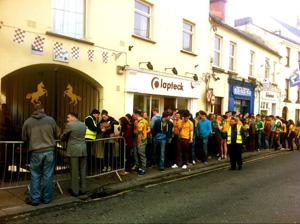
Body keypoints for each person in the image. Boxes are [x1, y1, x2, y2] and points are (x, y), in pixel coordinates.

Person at [22, 103, 58, 206]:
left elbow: (24, 137)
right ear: (43, 109)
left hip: (36, 151)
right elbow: (57, 133)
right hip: (49, 151)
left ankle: (35, 199)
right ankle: (47, 199)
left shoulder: (28, 122)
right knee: (48, 175)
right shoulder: (51, 120)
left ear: (34, 110)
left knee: (35, 175)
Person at [61, 112, 87, 197]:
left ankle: (75, 190)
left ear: (73, 117)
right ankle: (83, 189)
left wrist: (62, 137)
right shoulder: (83, 124)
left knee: (74, 171)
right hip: (83, 149)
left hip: (74, 150)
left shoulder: (70, 125)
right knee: (83, 170)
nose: (67, 119)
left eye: (68, 117)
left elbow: (63, 136)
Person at [85, 109, 100, 174]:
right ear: (94, 113)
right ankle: (87, 170)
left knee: (89, 154)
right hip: (87, 138)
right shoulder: (89, 118)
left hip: (90, 139)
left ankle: (88, 169)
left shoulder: (92, 119)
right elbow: (92, 128)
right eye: (97, 115)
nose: (98, 116)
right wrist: (100, 130)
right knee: (87, 154)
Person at [133, 110, 148, 176]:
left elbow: (140, 133)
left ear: (136, 115)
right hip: (137, 139)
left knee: (141, 154)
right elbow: (135, 131)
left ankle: (143, 169)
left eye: (134, 115)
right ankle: (139, 167)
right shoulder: (136, 121)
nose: (133, 116)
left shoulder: (142, 122)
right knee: (137, 154)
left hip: (142, 140)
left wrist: (139, 142)